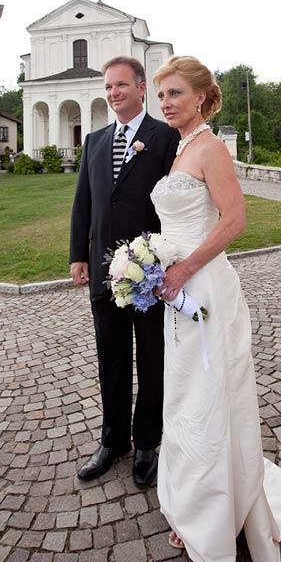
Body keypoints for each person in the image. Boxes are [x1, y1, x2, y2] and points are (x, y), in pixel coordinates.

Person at [150, 56, 281, 562]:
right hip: (177, 289)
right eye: (162, 95)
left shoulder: (212, 148)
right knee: (182, 394)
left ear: (201, 97)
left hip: (203, 287)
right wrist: (155, 265)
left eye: (175, 93)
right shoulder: (179, 149)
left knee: (209, 393)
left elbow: (234, 221)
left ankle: (217, 516)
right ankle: (190, 500)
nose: (166, 102)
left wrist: (183, 267)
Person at [70, 55, 179, 487]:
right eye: (108, 86)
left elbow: (172, 206)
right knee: (111, 360)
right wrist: (78, 254)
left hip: (149, 276)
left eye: (121, 85)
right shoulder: (95, 141)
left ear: (140, 89)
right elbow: (84, 203)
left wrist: (163, 262)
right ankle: (112, 440)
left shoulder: (164, 137)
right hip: (102, 272)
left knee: (152, 360)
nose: (114, 92)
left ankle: (147, 442)